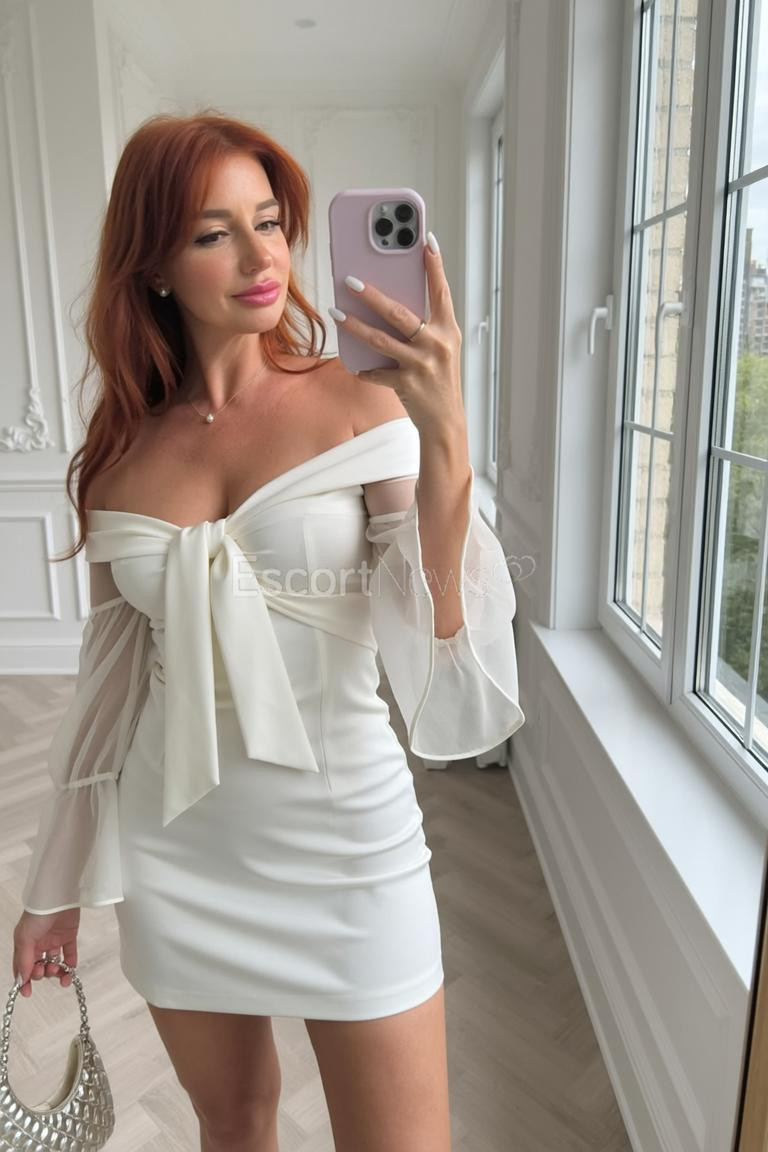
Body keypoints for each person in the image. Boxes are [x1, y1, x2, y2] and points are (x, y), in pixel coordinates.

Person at [11, 112, 525, 1152]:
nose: (260, 258)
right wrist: (51, 889)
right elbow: (109, 692)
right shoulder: (119, 457)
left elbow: (437, 624)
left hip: (350, 846)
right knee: (233, 1126)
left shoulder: (362, 404)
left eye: (270, 222)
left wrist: (446, 431)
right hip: (177, 851)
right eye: (214, 234)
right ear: (154, 266)